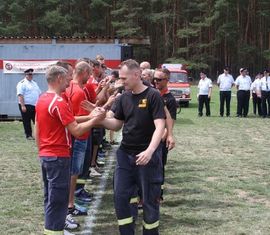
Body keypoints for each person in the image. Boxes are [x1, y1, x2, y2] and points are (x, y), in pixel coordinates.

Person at [98, 59, 165, 235]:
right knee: (121, 198)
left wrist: (150, 151)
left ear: (136, 75)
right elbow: (116, 124)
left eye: (124, 78)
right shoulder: (124, 97)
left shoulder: (153, 95)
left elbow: (160, 126)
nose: (121, 82)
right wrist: (100, 119)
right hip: (125, 156)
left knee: (149, 201)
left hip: (147, 157)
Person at [35, 65, 105, 235]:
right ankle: (55, 230)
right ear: (59, 78)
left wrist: (90, 116)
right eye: (67, 77)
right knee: (58, 199)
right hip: (58, 156)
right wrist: (96, 119)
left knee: (51, 197)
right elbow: (77, 130)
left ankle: (53, 227)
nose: (69, 81)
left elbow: (41, 127)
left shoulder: (43, 98)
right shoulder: (59, 101)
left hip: (46, 155)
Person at [153, 68, 177, 200]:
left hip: (160, 140)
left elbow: (170, 123)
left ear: (167, 80)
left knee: (159, 167)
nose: (156, 81)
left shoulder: (170, 99)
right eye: (154, 79)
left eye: (159, 79)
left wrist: (163, 138)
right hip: (147, 137)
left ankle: (158, 195)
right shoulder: (151, 94)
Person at [16, 68, 41, 139]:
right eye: (29, 74)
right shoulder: (22, 83)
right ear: (26, 75)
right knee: (26, 121)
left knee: (36, 120)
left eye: (31, 74)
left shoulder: (34, 83)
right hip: (26, 105)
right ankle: (28, 135)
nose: (31, 75)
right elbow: (20, 95)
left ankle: (38, 134)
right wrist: (22, 106)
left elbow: (39, 93)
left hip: (35, 105)